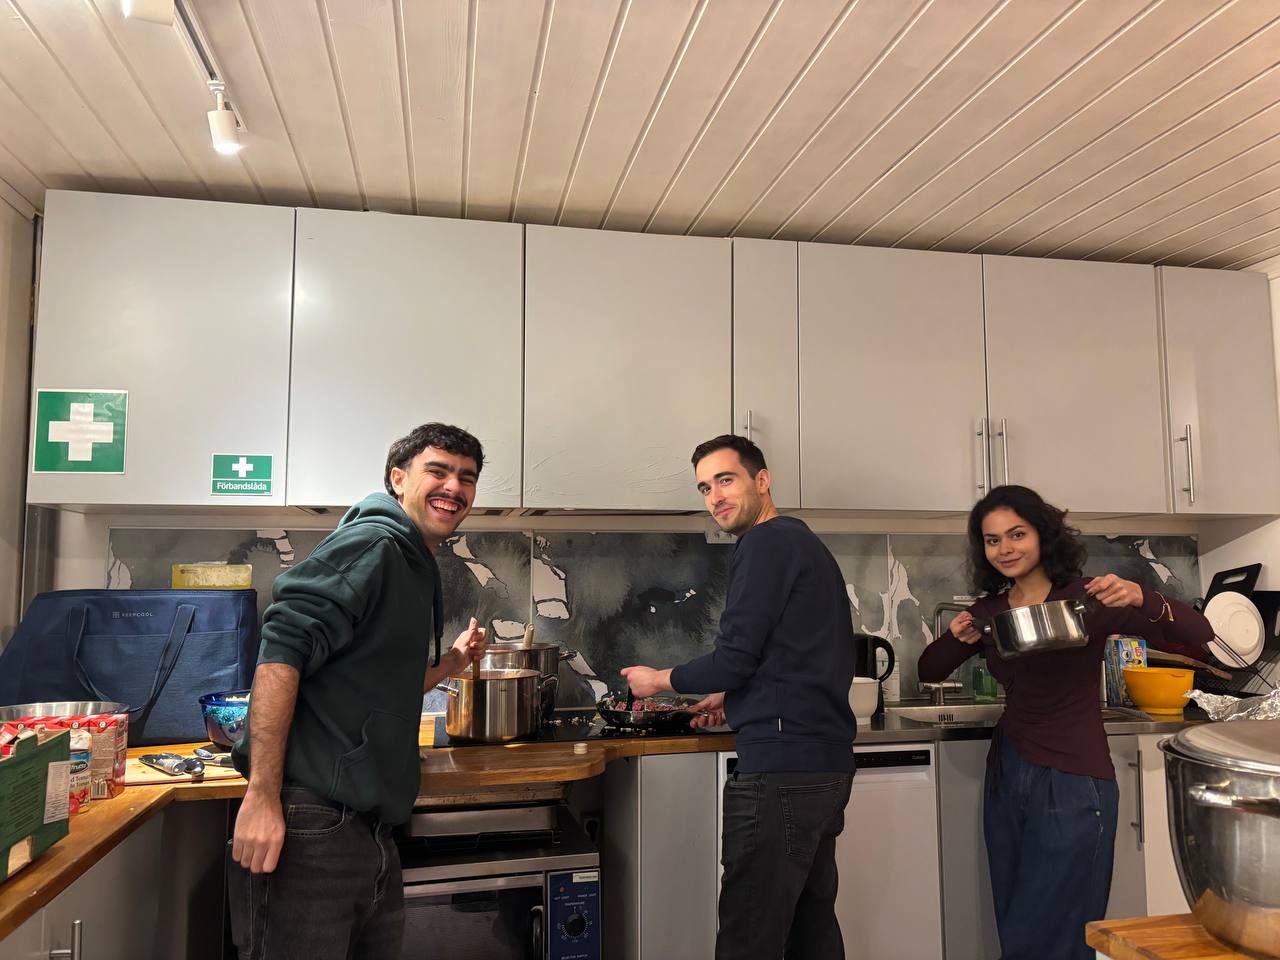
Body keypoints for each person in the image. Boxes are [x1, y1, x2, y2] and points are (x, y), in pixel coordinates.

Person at [228, 423, 490, 960]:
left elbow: (386, 684)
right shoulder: (375, 543)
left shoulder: (412, 560)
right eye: (436, 472)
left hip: (367, 829)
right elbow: (282, 648)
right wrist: (260, 794)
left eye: (466, 478)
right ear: (398, 479)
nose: (453, 488)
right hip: (314, 822)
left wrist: (455, 661)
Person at [918, 485, 1213, 960]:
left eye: (1017, 534)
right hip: (1008, 774)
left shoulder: (1089, 600)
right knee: (1016, 923)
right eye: (992, 540)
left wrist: (1141, 595)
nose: (1005, 548)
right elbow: (929, 670)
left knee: (1056, 932)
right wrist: (955, 636)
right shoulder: (990, 610)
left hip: (1075, 779)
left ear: (1043, 535)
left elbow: (1200, 635)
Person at [621, 434, 857, 960]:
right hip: (823, 766)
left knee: (750, 936)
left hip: (780, 771)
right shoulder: (804, 544)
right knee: (810, 932)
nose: (715, 497)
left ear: (762, 480)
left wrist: (656, 679)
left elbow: (735, 656)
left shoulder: (765, 543)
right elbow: (794, 652)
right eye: (705, 487)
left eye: (726, 480)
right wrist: (737, 697)